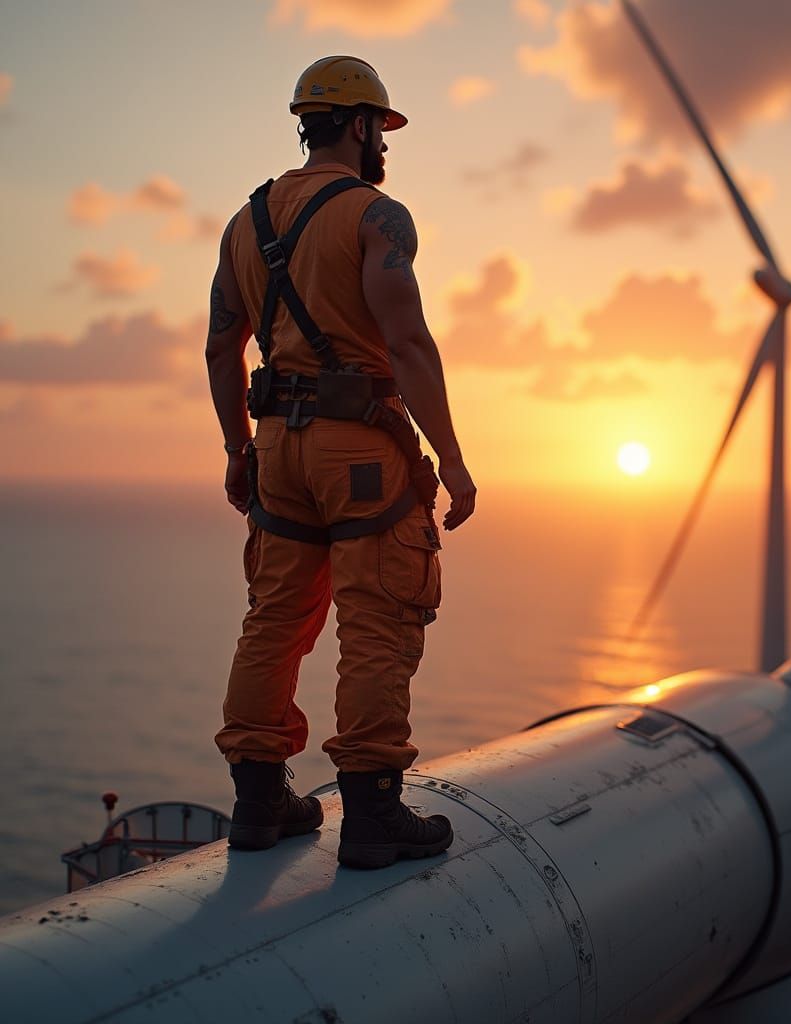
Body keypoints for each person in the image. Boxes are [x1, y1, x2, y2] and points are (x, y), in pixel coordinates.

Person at [204, 56, 476, 869]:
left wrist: (236, 450)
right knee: (378, 622)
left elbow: (222, 345)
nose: (383, 143)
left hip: (277, 447)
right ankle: (372, 813)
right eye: (380, 129)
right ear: (361, 125)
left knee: (275, 617)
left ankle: (259, 802)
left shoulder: (246, 219)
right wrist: (453, 461)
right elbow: (408, 342)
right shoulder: (377, 217)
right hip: (359, 447)